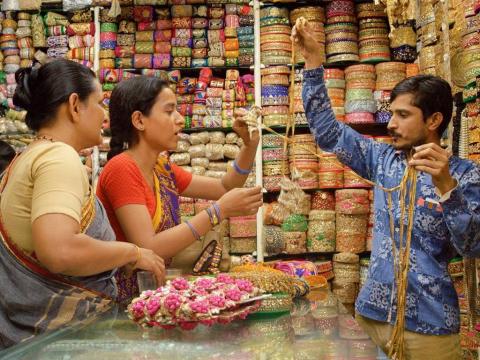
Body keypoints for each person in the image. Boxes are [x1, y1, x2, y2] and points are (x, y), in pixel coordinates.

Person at [292, 19, 480, 359]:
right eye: (391, 113)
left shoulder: (465, 175)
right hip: (374, 319)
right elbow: (327, 133)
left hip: (430, 328)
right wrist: (313, 62)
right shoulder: (383, 160)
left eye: (402, 115)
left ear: (434, 120)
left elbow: (473, 246)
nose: (391, 123)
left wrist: (447, 188)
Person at [0, 59, 165, 348]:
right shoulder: (58, 158)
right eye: (100, 102)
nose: (105, 115)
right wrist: (131, 253)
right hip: (54, 344)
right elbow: (59, 250)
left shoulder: (27, 157)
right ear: (75, 106)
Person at [97, 76, 263, 303]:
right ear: (139, 120)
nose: (180, 120)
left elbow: (225, 187)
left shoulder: (161, 168)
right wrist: (217, 212)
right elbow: (148, 246)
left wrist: (250, 144)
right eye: (169, 111)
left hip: (151, 296)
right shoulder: (122, 169)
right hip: (122, 301)